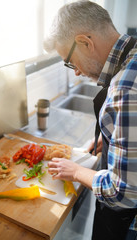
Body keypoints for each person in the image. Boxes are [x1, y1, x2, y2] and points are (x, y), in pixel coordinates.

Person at [44, 1, 137, 240]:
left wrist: (75, 171)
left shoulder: (124, 90)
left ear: (85, 42)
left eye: (70, 61)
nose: (75, 71)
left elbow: (122, 192)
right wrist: (112, 141)